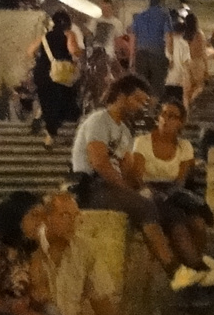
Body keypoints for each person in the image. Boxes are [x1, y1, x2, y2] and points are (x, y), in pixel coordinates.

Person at [71, 76, 181, 280]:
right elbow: (99, 162)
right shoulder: (99, 120)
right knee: (144, 206)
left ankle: (187, 264)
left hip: (111, 187)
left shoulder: (124, 131)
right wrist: (127, 190)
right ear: (122, 96)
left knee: (161, 203)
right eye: (137, 100)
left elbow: (127, 169)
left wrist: (140, 185)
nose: (140, 107)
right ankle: (173, 269)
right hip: (91, 188)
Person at [133, 99, 214, 291]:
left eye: (172, 116)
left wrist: (171, 194)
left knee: (198, 224)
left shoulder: (185, 147)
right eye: (163, 114)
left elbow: (181, 180)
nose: (166, 119)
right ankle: (199, 269)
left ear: (181, 122)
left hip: (173, 193)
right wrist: (155, 193)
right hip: (148, 193)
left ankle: (197, 271)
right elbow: (138, 177)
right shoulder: (142, 142)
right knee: (177, 223)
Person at [33, 190, 126, 315]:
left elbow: (102, 303)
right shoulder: (31, 247)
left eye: (75, 216)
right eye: (65, 216)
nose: (72, 223)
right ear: (47, 218)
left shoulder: (84, 250)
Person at [30, 10, 82, 149]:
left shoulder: (44, 36)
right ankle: (49, 137)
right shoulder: (68, 34)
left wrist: (43, 59)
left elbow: (30, 51)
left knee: (48, 102)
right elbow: (73, 50)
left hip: (41, 73)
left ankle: (40, 114)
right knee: (61, 103)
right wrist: (79, 53)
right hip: (59, 75)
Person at [128, 0, 171, 94]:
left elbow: (133, 38)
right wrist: (170, 56)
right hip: (157, 55)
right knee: (156, 88)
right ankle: (152, 109)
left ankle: (141, 108)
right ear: (162, 1)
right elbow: (168, 37)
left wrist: (132, 58)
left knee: (141, 87)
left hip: (141, 55)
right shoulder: (164, 15)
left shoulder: (140, 16)